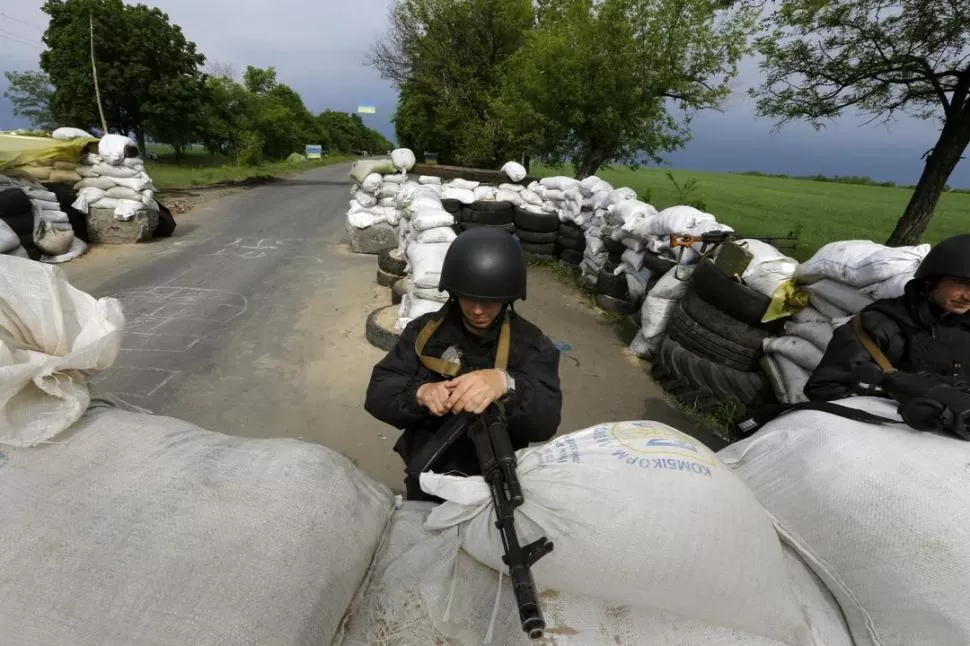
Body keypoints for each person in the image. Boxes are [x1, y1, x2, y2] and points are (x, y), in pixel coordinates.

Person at [364, 227, 563, 500]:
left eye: (489, 301)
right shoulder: (424, 334)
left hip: (496, 483)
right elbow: (378, 391)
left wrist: (507, 384)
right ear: (455, 292)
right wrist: (419, 394)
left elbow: (546, 421)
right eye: (470, 299)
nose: (479, 310)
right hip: (431, 476)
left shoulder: (531, 345)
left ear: (508, 298)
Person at [804, 233, 970, 401]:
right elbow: (824, 388)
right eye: (963, 283)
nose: (968, 296)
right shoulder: (878, 325)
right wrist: (900, 393)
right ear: (930, 280)